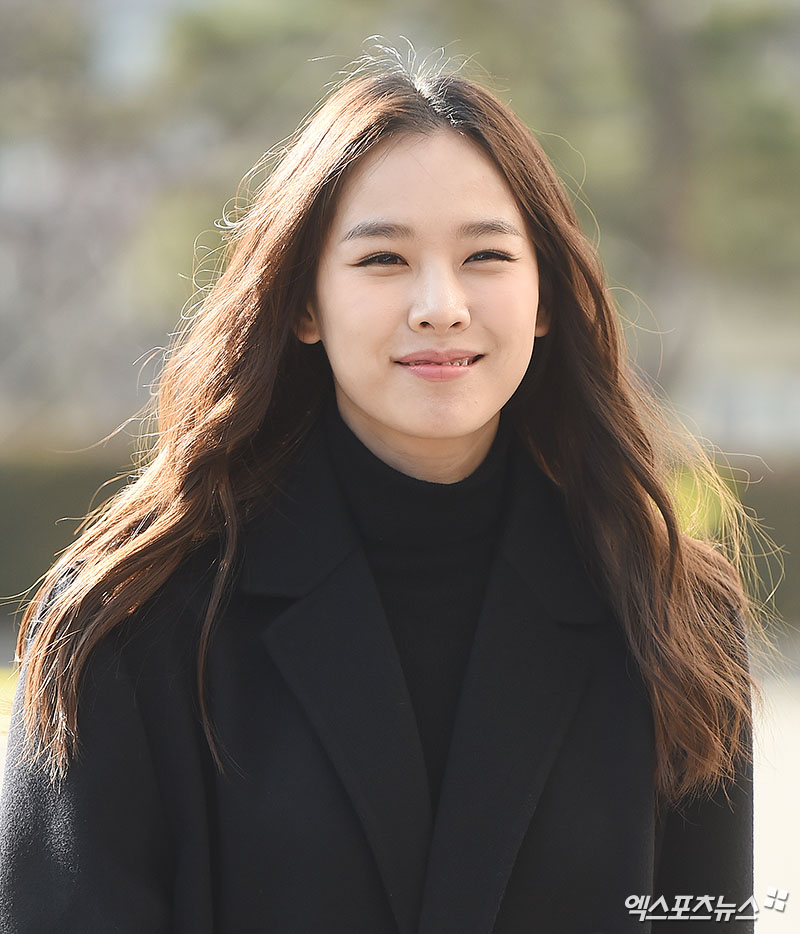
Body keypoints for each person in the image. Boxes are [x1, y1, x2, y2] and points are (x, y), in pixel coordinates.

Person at [0, 57, 763, 933]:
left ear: (545, 295)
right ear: (304, 305)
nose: (439, 305)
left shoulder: (671, 616)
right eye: (383, 258)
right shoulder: (128, 620)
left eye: (485, 255)